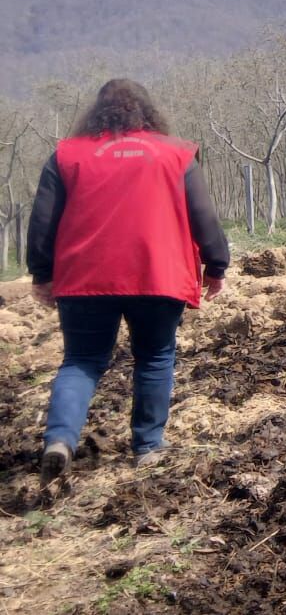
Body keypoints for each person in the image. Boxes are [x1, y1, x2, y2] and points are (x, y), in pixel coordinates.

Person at [28, 79, 231, 482]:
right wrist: (216, 264)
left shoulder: (67, 156)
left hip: (85, 278)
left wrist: (41, 272)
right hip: (158, 273)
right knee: (155, 357)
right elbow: (203, 214)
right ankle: (149, 447)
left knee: (82, 361)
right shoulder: (176, 154)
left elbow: (43, 220)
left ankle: (60, 440)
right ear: (147, 112)